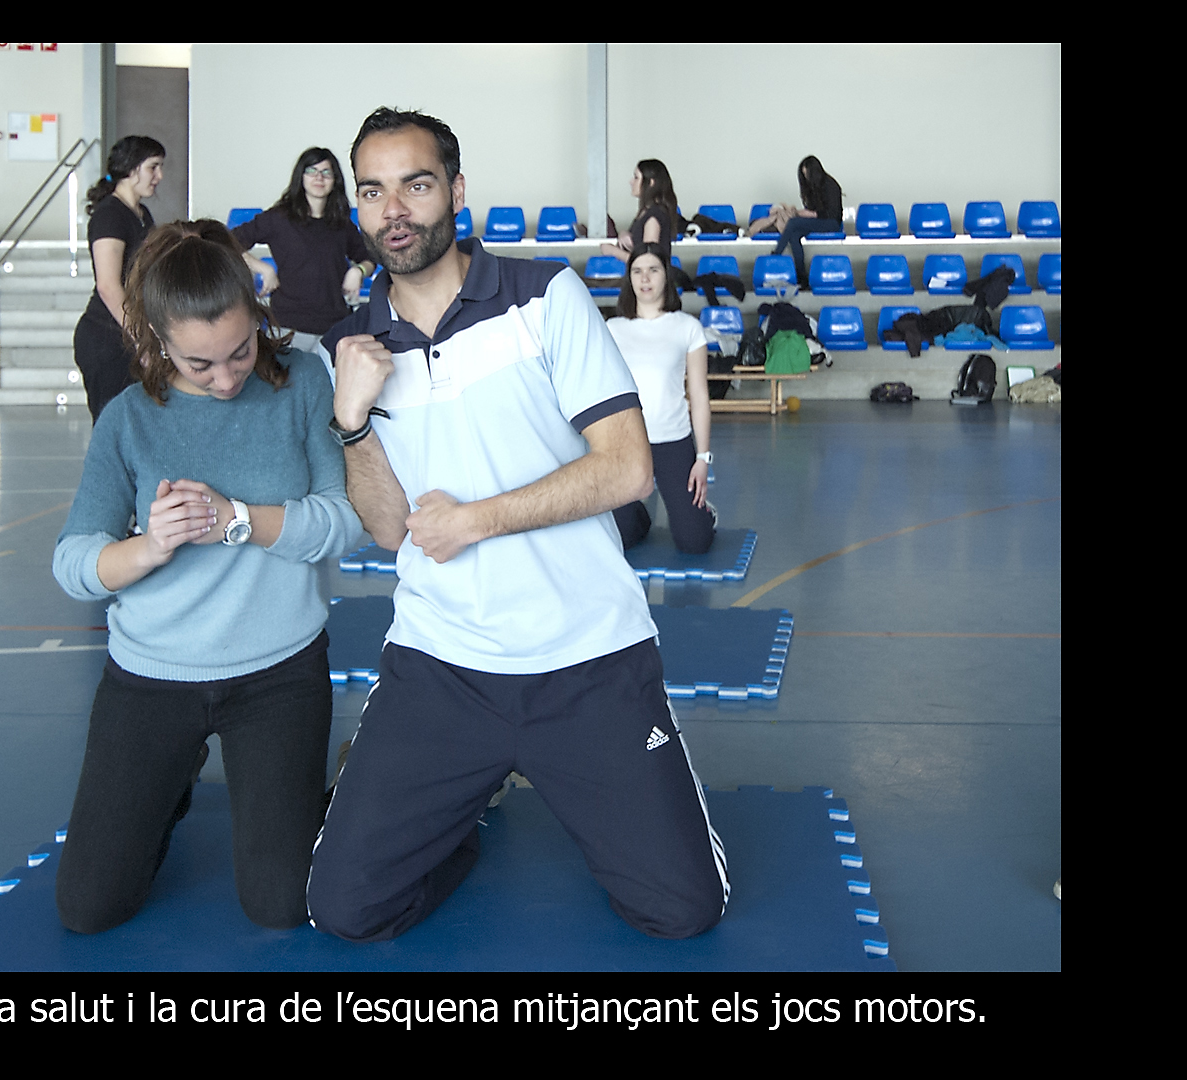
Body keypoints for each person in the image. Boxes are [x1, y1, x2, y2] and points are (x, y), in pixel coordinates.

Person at [310, 108, 729, 943]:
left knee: (683, 911)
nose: (395, 210)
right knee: (344, 910)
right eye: (374, 192)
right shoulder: (350, 347)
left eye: (416, 185)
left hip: (587, 656)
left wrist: (477, 520)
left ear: (457, 191)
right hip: (441, 665)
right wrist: (352, 424)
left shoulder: (543, 295)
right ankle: (461, 814)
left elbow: (627, 469)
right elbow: (390, 530)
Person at [52, 220, 364, 933]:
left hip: (279, 674)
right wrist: (149, 547)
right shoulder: (128, 419)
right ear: (159, 343)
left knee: (281, 906)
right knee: (89, 908)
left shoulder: (303, 382)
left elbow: (346, 522)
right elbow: (73, 562)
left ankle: (354, 783)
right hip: (150, 676)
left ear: (257, 317)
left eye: (241, 351)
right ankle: (170, 781)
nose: (226, 378)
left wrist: (238, 519)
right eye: (200, 364)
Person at [608, 244, 719, 554]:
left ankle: (703, 515)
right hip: (627, 443)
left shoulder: (687, 327)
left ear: (665, 277)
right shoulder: (612, 329)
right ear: (629, 278)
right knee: (620, 537)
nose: (645, 278)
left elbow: (699, 395)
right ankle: (638, 514)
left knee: (694, 542)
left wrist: (703, 458)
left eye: (653, 270)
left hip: (673, 441)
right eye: (637, 271)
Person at [232, 148, 377, 374]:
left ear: (335, 180)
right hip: (289, 328)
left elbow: (369, 258)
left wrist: (358, 271)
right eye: (312, 171)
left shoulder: (340, 222)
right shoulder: (279, 218)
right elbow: (228, 241)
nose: (319, 177)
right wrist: (263, 268)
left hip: (334, 329)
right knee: (288, 389)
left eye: (326, 172)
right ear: (301, 176)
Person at [75, 135, 165, 419]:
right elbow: (108, 285)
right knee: (113, 426)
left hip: (129, 334)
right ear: (132, 168)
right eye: (153, 167)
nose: (159, 176)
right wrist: (141, 339)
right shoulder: (109, 215)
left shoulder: (141, 213)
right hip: (108, 337)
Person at [751, 155, 843, 289]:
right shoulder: (813, 187)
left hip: (831, 223)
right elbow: (812, 210)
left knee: (794, 223)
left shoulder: (831, 185)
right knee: (794, 235)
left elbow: (833, 214)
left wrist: (811, 214)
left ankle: (777, 253)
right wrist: (801, 212)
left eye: (807, 174)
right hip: (819, 221)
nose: (806, 178)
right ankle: (802, 277)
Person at [602, 158, 684, 269]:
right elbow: (640, 248)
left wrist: (614, 252)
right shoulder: (646, 212)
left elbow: (648, 260)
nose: (631, 182)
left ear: (651, 183)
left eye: (636, 178)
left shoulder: (654, 216)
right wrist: (624, 234)